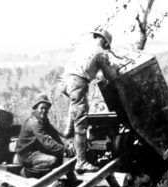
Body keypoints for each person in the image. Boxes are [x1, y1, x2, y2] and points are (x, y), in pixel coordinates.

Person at [61, 28, 118, 174]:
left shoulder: (83, 47)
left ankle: (68, 129)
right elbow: (110, 76)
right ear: (104, 41)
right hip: (78, 83)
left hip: (65, 82)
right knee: (81, 124)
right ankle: (81, 162)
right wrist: (114, 68)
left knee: (75, 104)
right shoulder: (100, 52)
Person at [16, 93, 65, 178]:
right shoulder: (34, 122)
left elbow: (55, 135)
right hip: (26, 155)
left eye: (46, 108)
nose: (44, 111)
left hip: (36, 152)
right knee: (52, 160)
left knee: (59, 155)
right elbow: (46, 141)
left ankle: (55, 178)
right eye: (41, 108)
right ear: (36, 109)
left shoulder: (44, 120)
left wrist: (65, 146)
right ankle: (27, 173)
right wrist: (63, 149)